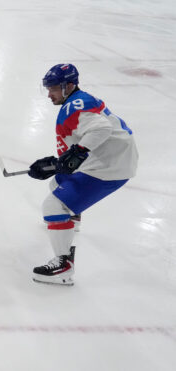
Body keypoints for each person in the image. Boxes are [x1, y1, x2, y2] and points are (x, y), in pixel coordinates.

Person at [27, 64, 138, 285]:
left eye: (53, 89)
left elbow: (101, 129)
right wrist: (59, 162)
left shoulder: (74, 105)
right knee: (57, 183)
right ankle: (73, 217)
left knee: (53, 206)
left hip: (109, 165)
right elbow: (88, 137)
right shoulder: (79, 100)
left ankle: (63, 266)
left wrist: (77, 152)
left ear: (69, 86)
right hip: (109, 157)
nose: (49, 95)